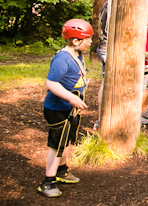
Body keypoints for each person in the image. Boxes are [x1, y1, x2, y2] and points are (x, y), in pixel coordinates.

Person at [38, 19, 92, 198]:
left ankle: (61, 171)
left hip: (70, 109)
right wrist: (70, 97)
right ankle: (48, 182)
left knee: (67, 141)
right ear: (76, 41)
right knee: (57, 146)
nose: (91, 42)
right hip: (58, 110)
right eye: (88, 39)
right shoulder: (63, 58)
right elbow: (51, 82)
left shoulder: (76, 54)